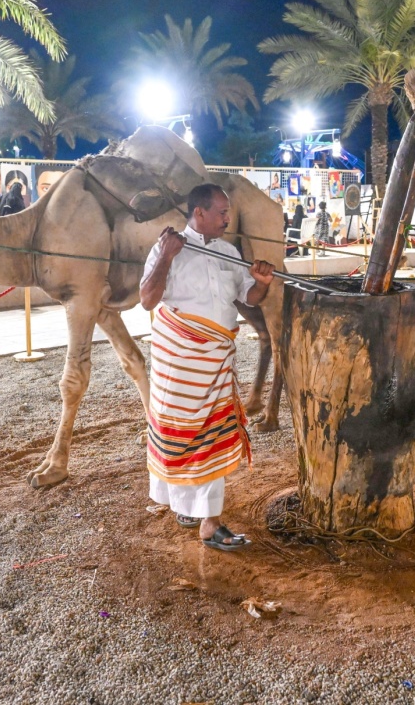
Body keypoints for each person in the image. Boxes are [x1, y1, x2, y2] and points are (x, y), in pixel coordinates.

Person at [139, 183, 275, 552]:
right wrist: (167, 256)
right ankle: (198, 516)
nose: (227, 218)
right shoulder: (167, 248)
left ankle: (206, 520)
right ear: (198, 213)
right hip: (179, 363)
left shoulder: (230, 252)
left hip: (214, 362)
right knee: (180, 432)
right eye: (221, 212)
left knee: (211, 436)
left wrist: (260, 283)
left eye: (227, 212)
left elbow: (248, 297)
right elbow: (148, 300)